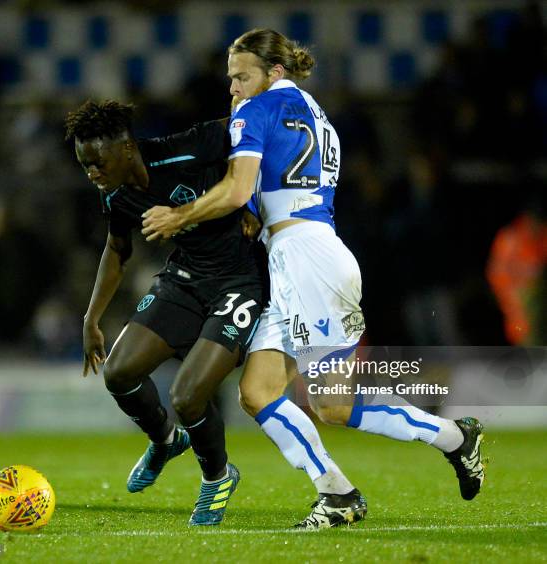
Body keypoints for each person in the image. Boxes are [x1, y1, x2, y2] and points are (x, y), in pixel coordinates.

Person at [142, 29, 486, 529]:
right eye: (231, 79)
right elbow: (275, 193)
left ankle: (454, 437)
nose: (234, 88)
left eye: (242, 77)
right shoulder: (317, 116)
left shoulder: (255, 112)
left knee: (332, 404)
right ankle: (337, 492)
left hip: (308, 258)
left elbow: (238, 190)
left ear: (273, 73)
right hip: (298, 253)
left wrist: (179, 216)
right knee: (258, 391)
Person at [64, 100, 267, 526]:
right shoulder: (117, 194)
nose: (93, 174)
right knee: (118, 372)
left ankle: (217, 476)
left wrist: (253, 203)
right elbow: (118, 249)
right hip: (185, 277)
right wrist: (91, 318)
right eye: (85, 166)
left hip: (240, 279)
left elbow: (255, 132)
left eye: (98, 163)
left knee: (187, 395)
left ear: (125, 148)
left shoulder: (188, 147)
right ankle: (164, 440)